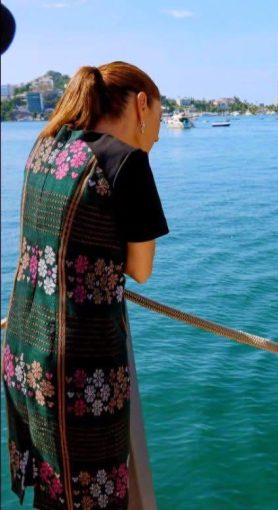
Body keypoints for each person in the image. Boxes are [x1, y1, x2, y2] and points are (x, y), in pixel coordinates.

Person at [2, 61, 168, 509]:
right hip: (81, 368)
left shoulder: (46, 146)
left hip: (26, 352)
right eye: (158, 115)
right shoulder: (125, 161)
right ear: (139, 105)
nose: (157, 132)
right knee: (93, 495)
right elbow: (141, 269)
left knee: (56, 493)